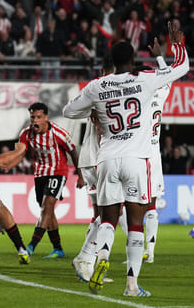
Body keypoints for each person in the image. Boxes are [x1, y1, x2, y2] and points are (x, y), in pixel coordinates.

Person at [63, 22, 188, 297]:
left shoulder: (97, 86)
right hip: (137, 158)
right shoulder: (144, 80)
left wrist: (93, 112)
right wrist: (175, 45)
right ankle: (131, 284)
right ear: (133, 59)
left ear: (111, 61)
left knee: (108, 219)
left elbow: (68, 110)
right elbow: (180, 68)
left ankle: (102, 258)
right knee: (134, 223)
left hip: (107, 159)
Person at [0, 102, 84, 259]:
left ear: (46, 117)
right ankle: (58, 248)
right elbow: (20, 153)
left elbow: (73, 152)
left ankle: (31, 246)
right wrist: (10, 164)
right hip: (40, 174)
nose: (35, 121)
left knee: (47, 206)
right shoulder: (26, 134)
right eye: (32, 117)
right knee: (47, 211)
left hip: (58, 172)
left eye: (38, 117)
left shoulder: (58, 133)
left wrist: (80, 175)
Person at [118, 38, 172, 265]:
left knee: (124, 204)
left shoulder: (137, 99)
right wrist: (159, 57)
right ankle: (149, 250)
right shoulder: (161, 95)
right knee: (150, 204)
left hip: (136, 154)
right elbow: (168, 76)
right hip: (154, 154)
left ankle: (138, 248)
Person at [72, 54, 115, 282]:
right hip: (99, 159)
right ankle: (86, 258)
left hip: (90, 159)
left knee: (101, 214)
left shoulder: (93, 91)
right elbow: (101, 130)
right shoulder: (110, 93)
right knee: (110, 214)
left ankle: (88, 263)